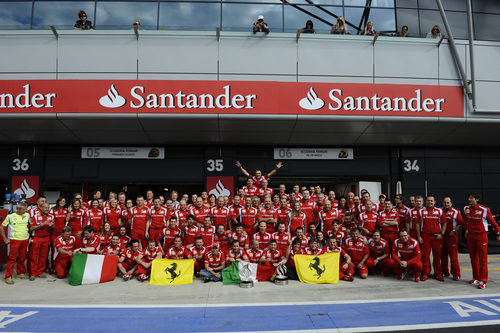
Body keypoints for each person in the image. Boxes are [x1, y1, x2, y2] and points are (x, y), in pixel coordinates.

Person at [463, 193, 500, 289]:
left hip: (481, 236)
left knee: (482, 260)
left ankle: (483, 280)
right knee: (473, 259)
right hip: (471, 236)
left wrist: (498, 233)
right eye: (469, 198)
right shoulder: (466, 208)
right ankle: (476, 277)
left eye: (471, 198)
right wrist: (467, 230)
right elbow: (466, 220)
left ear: (477, 200)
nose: (469, 199)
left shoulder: (484, 209)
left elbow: (493, 222)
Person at [415, 195, 446, 281]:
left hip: (437, 237)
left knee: (437, 256)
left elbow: (444, 223)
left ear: (435, 202)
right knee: (425, 256)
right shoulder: (421, 211)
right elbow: (417, 224)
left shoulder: (439, 211)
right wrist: (419, 236)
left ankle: (438, 273)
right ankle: (425, 273)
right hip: (425, 236)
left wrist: (442, 234)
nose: (430, 202)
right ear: (426, 202)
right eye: (428, 201)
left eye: (431, 201)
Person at [1, 202, 30, 284]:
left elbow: (28, 226)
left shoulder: (27, 215)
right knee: (12, 259)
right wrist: (5, 238)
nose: (25, 211)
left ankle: (20, 273)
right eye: (23, 209)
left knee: (22, 257)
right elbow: (1, 227)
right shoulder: (10, 216)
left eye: (25, 209)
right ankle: (8, 276)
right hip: (15, 240)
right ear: (18, 209)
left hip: (25, 239)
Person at [29, 202, 54, 280]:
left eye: (48, 208)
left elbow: (53, 228)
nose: (47, 209)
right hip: (37, 238)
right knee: (34, 256)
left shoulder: (51, 217)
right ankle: (33, 273)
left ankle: (40, 272)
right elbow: (31, 228)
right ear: (41, 208)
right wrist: (42, 224)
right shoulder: (36, 216)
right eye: (45, 207)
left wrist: (52, 226)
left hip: (46, 238)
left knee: (43, 257)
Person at [441, 196, 463, 280]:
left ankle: (456, 274)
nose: (446, 204)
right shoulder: (439, 211)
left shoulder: (456, 212)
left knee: (453, 257)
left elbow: (460, 223)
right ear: (442, 203)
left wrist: (454, 230)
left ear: (451, 203)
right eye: (445, 202)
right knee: (443, 256)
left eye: (448, 203)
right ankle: (445, 272)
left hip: (451, 237)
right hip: (442, 237)